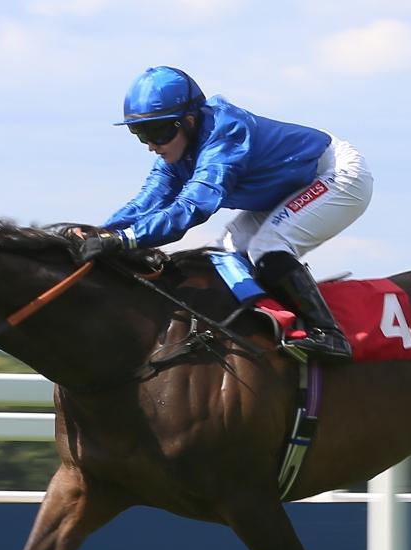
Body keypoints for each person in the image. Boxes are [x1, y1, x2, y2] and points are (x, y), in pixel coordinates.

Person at [75, 66, 374, 362]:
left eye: (158, 132)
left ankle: (329, 334)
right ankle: (269, 323)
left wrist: (124, 240)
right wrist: (103, 232)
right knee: (224, 254)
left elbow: (192, 208)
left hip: (337, 175)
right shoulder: (177, 152)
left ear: (189, 121)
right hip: (293, 186)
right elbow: (148, 201)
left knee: (268, 246)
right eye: (141, 134)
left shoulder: (226, 135)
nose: (152, 145)